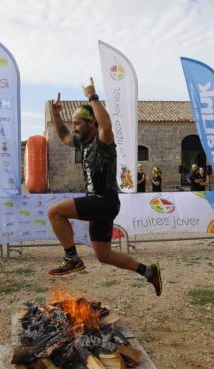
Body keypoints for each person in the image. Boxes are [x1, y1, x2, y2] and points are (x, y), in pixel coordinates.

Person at [46, 78, 162, 296]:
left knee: (54, 212)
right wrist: (55, 113)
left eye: (78, 123)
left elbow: (106, 124)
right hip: (100, 204)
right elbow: (62, 135)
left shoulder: (104, 141)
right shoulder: (81, 142)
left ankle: (71, 257)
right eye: (73, 123)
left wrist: (92, 95)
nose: (74, 127)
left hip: (104, 200)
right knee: (104, 255)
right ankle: (149, 272)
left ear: (91, 123)